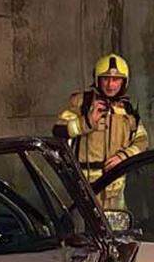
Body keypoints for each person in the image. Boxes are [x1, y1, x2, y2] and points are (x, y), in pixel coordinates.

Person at [53, 53, 147, 209]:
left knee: (115, 229)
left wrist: (123, 156)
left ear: (124, 82)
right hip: (85, 186)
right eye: (106, 79)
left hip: (116, 186)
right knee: (86, 230)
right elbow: (58, 130)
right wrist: (87, 121)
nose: (110, 85)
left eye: (116, 79)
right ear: (97, 79)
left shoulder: (127, 109)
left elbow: (142, 140)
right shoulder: (82, 102)